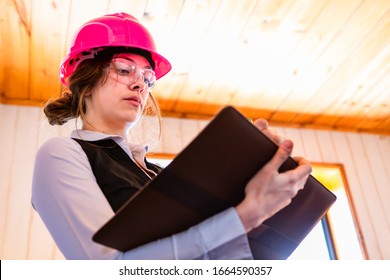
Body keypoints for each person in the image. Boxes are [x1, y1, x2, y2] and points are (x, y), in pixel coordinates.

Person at [31, 12, 312, 260]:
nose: (140, 83)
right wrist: (245, 216)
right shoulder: (62, 154)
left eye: (148, 78)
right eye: (124, 69)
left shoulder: (156, 174)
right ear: (85, 80)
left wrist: (262, 195)